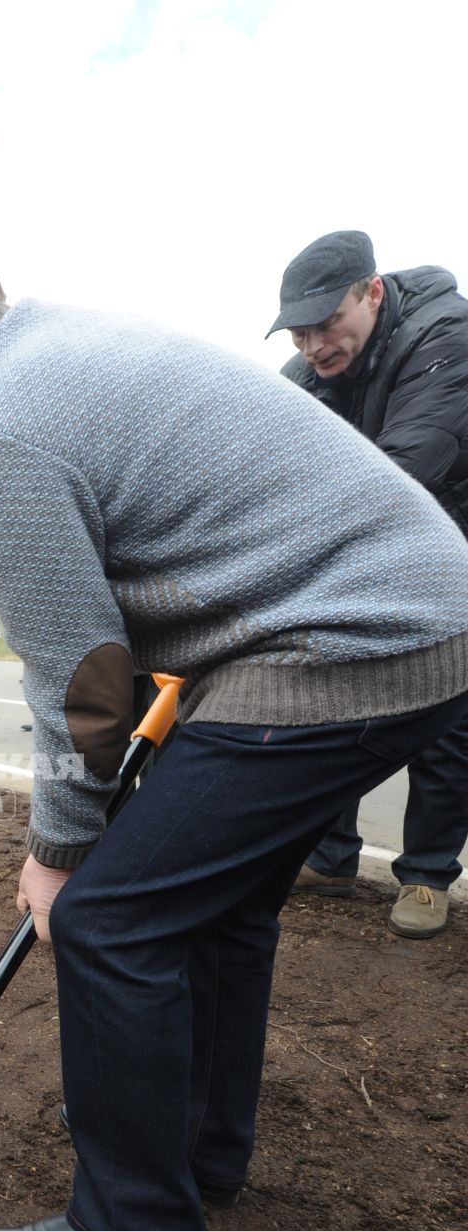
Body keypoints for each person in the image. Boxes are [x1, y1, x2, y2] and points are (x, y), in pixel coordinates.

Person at [0, 241, 468, 1231]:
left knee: (109, 920)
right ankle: (201, 1159)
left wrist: (56, 855)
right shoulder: (49, 357)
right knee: (219, 907)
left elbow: (81, 682)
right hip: (414, 618)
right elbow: (125, 652)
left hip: (347, 641)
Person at [268, 230, 468, 938]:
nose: (314, 344)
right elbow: (264, 454)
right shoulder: (310, 372)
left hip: (450, 544)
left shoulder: (447, 337)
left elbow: (410, 469)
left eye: (328, 323)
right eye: (300, 330)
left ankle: (426, 876)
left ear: (373, 293)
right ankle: (331, 855)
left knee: (446, 716)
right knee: (332, 699)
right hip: (369, 551)